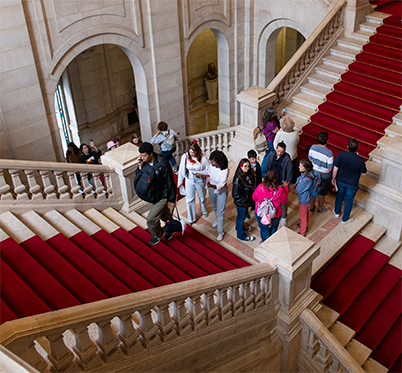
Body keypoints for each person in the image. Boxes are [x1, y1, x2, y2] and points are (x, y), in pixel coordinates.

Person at [134, 142, 177, 245]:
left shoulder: (163, 163)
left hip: (162, 195)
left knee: (151, 219)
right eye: (141, 155)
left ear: (151, 154)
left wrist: (172, 199)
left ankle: (157, 234)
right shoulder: (143, 163)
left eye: (144, 156)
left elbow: (170, 182)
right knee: (164, 215)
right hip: (153, 194)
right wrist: (140, 167)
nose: (142, 158)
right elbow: (139, 176)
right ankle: (172, 228)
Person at [332, 139, 367, 224]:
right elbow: (364, 173)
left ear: (347, 147)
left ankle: (337, 212)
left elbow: (335, 168)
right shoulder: (360, 159)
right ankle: (345, 219)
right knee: (349, 200)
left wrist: (333, 178)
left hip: (341, 180)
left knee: (339, 196)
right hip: (352, 183)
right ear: (357, 148)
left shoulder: (341, 154)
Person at [198, 150, 229, 242]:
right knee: (215, 207)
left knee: (220, 212)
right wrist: (202, 176)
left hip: (221, 192)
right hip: (212, 189)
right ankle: (217, 220)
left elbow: (220, 185)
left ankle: (220, 232)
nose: (211, 163)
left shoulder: (224, 171)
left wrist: (210, 185)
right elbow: (209, 175)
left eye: (213, 161)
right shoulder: (212, 166)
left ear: (218, 161)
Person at [177, 141, 209, 224]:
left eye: (193, 152)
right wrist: (180, 181)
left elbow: (208, 170)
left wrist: (201, 174)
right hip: (189, 179)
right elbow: (181, 169)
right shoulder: (185, 156)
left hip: (199, 179)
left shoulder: (203, 158)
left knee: (202, 197)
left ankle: (204, 211)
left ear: (197, 151)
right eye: (190, 152)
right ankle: (191, 218)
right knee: (189, 199)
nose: (191, 154)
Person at [252, 170, 289, 242]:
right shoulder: (280, 190)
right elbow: (284, 201)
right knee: (274, 228)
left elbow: (254, 198)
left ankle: (265, 243)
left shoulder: (260, 187)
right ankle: (272, 243)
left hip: (262, 213)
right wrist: (286, 188)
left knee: (264, 229)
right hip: (276, 213)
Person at [264, 141, 293, 227]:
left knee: (283, 201)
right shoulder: (272, 155)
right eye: (278, 151)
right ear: (276, 148)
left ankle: (284, 217)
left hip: (281, 181)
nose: (279, 153)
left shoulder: (287, 159)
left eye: (281, 152)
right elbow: (268, 166)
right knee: (271, 199)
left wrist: (286, 184)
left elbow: (289, 172)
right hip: (271, 181)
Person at [308, 131, 333, 215]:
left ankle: (311, 207)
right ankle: (320, 208)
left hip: (314, 173)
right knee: (322, 192)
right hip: (324, 176)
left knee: (312, 190)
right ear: (327, 141)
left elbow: (310, 159)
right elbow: (329, 168)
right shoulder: (329, 153)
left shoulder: (313, 147)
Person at [232, 158, 255, 241]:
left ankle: (239, 228)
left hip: (246, 201)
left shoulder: (247, 174)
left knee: (242, 217)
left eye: (248, 166)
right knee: (241, 218)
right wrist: (245, 199)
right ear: (240, 166)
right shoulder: (238, 179)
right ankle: (241, 235)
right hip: (241, 203)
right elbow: (235, 195)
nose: (247, 168)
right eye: (245, 166)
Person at [274, 116, 300, 188]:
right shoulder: (296, 133)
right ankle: (292, 182)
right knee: (293, 168)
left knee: (283, 169)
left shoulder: (280, 133)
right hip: (293, 154)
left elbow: (275, 144)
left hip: (283, 155)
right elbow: (297, 141)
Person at [295, 159, 315, 236]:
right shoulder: (310, 173)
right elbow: (299, 179)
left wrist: (298, 185)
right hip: (308, 197)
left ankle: (302, 232)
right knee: (306, 213)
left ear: (305, 168)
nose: (299, 167)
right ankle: (305, 225)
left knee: (302, 216)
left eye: (301, 166)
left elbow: (298, 190)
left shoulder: (306, 180)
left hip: (304, 199)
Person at [261, 107, 280, 177]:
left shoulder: (264, 120)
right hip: (271, 141)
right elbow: (276, 130)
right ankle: (263, 172)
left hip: (269, 140)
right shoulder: (271, 124)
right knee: (268, 156)